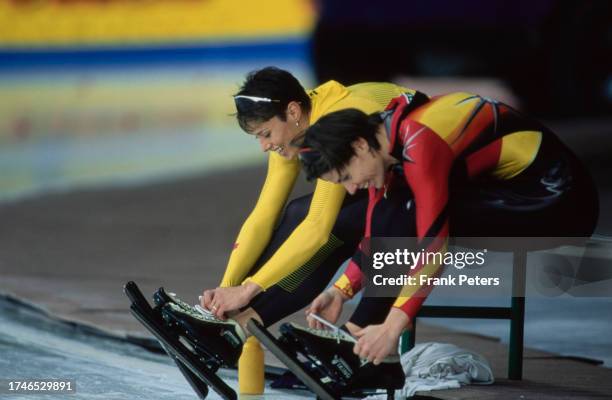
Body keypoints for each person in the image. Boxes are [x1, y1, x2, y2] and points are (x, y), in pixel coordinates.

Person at [296, 92, 599, 364]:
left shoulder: (419, 142)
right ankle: (357, 338)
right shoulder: (384, 139)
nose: (350, 189)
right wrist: (340, 291)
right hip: (515, 189)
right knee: (395, 206)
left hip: (564, 205)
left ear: (360, 145)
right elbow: (377, 230)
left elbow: (433, 245)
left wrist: (393, 326)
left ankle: (356, 342)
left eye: (346, 176)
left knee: (409, 211)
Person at [159, 67, 428, 365]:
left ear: (293, 111)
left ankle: (252, 328)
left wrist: (247, 290)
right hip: (394, 176)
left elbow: (318, 228)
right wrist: (227, 288)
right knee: (297, 211)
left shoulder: (330, 123)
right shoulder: (295, 123)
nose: (264, 146)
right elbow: (264, 213)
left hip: (430, 179)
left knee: (336, 227)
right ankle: (230, 325)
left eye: (265, 134)